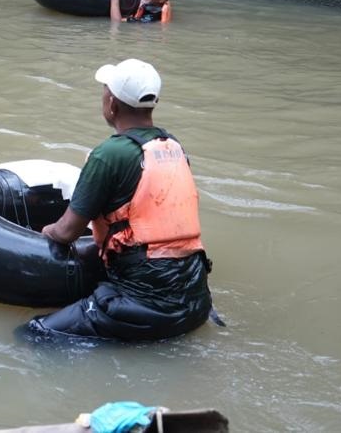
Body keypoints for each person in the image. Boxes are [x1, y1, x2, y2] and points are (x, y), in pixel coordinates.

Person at [21, 58, 213, 343]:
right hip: (196, 300)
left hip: (145, 306)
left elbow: (67, 233)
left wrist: (42, 233)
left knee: (34, 334)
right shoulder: (173, 147)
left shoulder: (109, 154)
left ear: (112, 104)